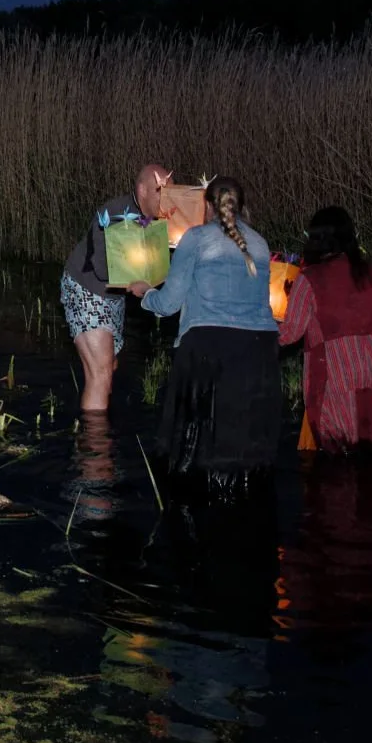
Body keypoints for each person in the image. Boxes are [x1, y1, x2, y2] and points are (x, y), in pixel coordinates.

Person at [129, 176, 283, 500]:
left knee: (198, 440)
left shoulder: (196, 239)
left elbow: (169, 303)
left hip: (210, 349)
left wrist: (145, 294)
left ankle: (194, 501)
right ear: (240, 205)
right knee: (243, 438)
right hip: (259, 351)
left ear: (208, 205)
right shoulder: (259, 242)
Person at [277, 205, 372, 453]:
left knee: (341, 451)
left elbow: (291, 333)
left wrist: (259, 328)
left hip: (335, 371)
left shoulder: (309, 278)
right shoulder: (369, 271)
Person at [62, 162, 170, 412]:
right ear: (142, 190)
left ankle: (95, 430)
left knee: (108, 368)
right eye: (159, 191)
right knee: (100, 376)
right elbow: (99, 266)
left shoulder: (162, 220)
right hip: (86, 290)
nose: (166, 198)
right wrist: (140, 280)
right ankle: (95, 447)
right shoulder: (114, 214)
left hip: (113, 297)